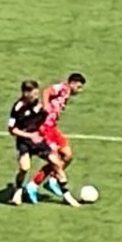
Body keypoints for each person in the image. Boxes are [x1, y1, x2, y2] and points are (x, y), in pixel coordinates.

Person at [30, 72, 88, 200]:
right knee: (54, 159)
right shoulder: (62, 88)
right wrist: (46, 105)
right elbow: (47, 91)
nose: (79, 90)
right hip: (45, 127)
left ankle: (52, 180)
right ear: (72, 83)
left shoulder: (66, 92)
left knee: (67, 155)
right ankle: (33, 185)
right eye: (78, 87)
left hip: (52, 127)